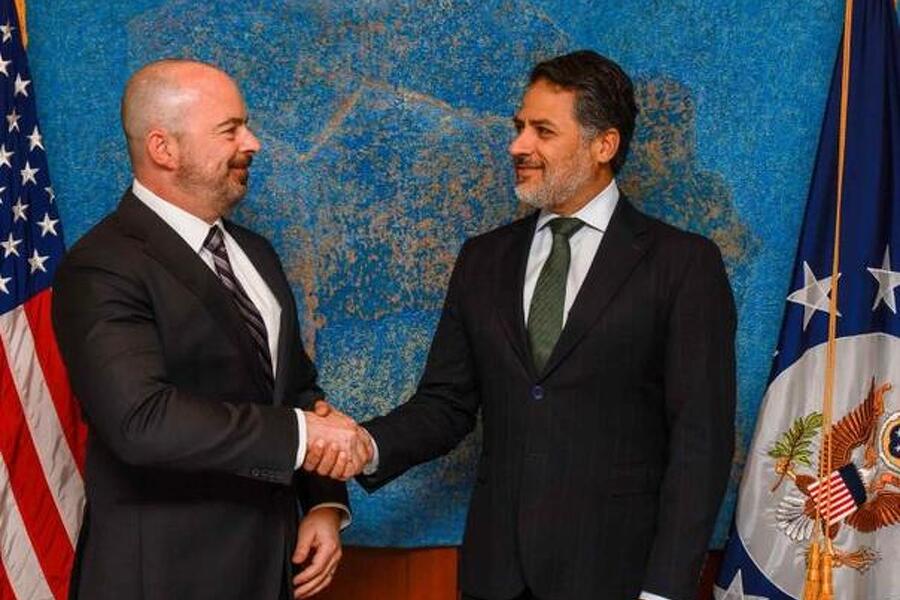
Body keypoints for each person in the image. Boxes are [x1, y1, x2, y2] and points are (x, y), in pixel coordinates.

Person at [308, 50, 736, 600]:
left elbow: (701, 444)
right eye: (519, 127)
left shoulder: (683, 264)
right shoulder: (483, 259)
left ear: (603, 145)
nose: (517, 146)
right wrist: (365, 444)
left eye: (542, 131)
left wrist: (665, 590)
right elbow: (446, 403)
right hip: (496, 577)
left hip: (617, 579)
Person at [52, 59, 365, 600]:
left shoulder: (256, 253)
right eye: (230, 130)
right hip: (163, 579)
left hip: (273, 568)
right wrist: (302, 436)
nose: (253, 143)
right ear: (163, 149)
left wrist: (323, 503)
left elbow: (294, 390)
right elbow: (141, 421)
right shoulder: (101, 266)